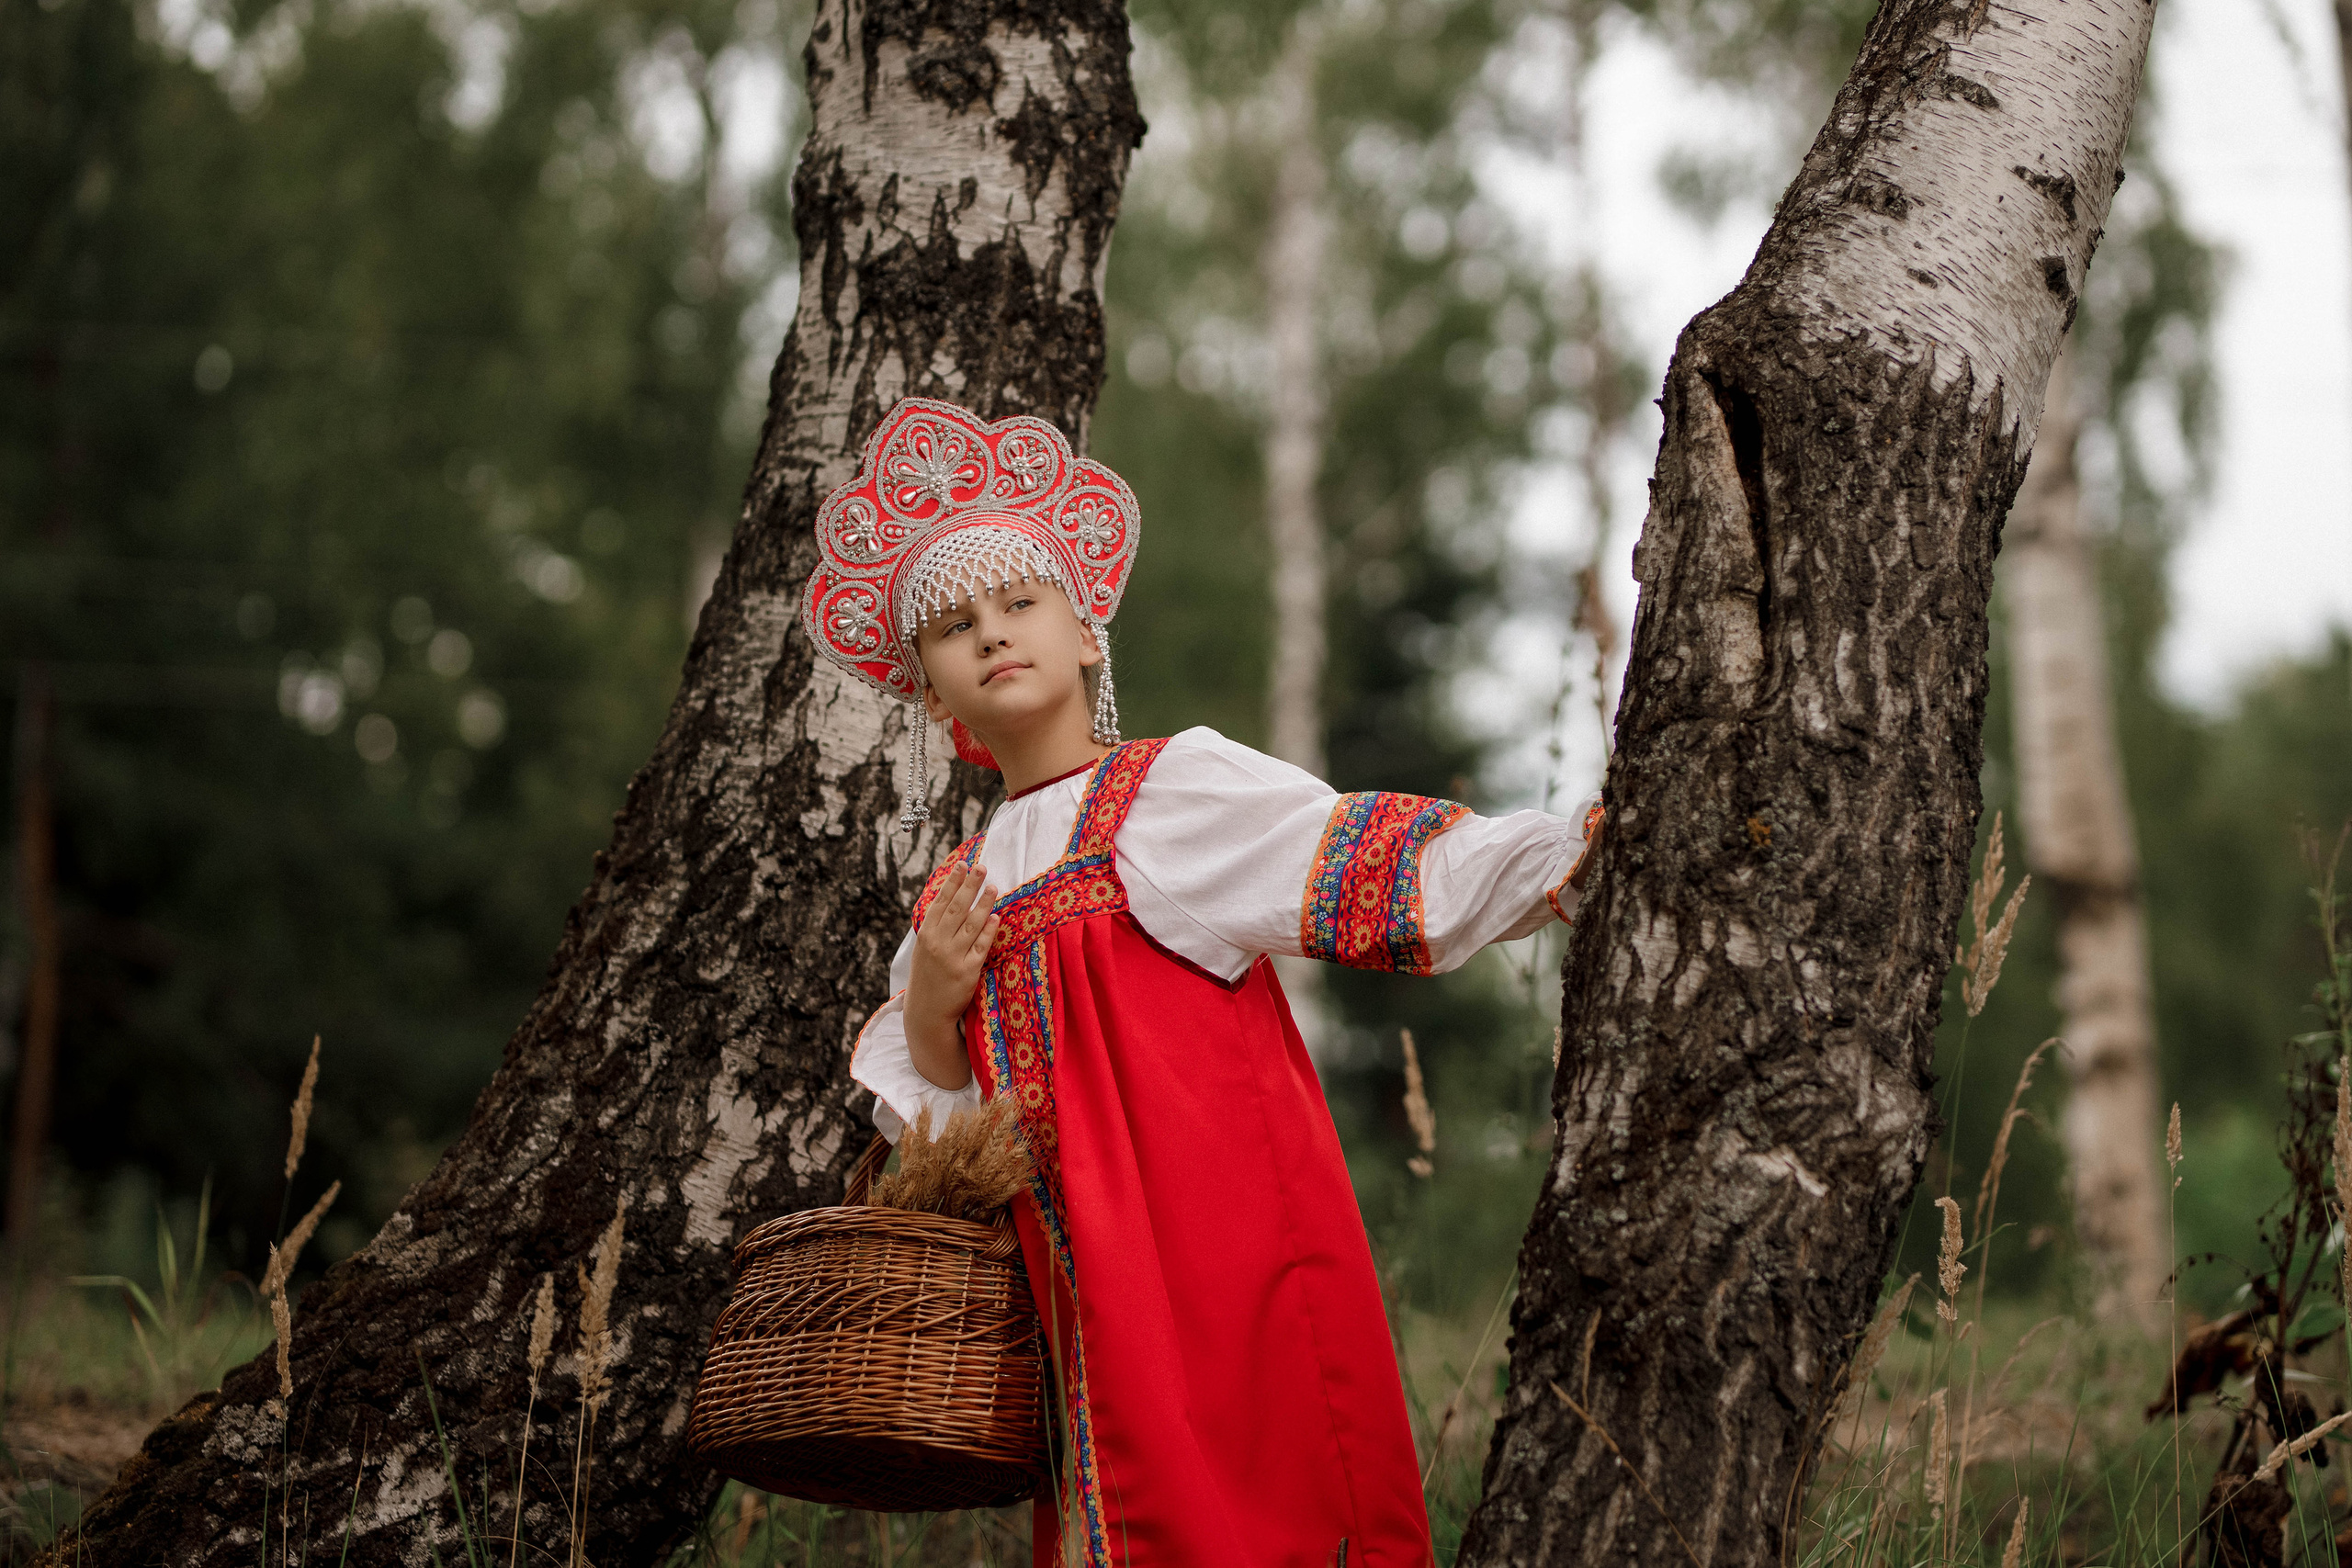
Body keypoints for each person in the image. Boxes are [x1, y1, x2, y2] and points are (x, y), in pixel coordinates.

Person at [802, 398, 1600, 1568]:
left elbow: (1365, 864)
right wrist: (930, 1004)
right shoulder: (952, 897)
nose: (992, 634)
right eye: (954, 625)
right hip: (1075, 1299)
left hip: (1221, 1251)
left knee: (1261, 1504)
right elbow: (952, 1126)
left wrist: (1568, 856)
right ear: (929, 692)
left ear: (1086, 634)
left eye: (1020, 602)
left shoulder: (1168, 796)